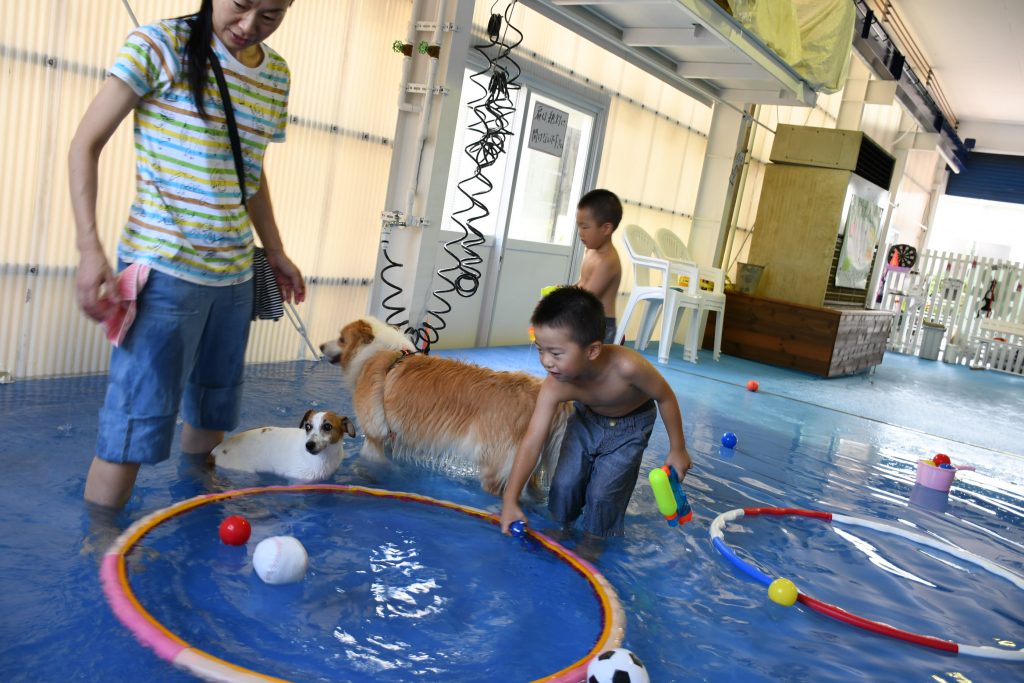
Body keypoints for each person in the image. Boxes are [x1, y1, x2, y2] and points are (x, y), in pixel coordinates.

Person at [69, 0, 303, 509]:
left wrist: (276, 250)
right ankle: (101, 554)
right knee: (133, 423)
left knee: (213, 408)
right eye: (240, 6)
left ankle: (196, 513)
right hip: (163, 273)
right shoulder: (160, 46)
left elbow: (249, 171)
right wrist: (91, 249)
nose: (247, 27)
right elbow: (85, 144)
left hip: (235, 277)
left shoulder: (276, 74)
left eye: (269, 15)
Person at [500, 286, 692, 558]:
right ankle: (562, 526)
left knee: (604, 493)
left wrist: (678, 448)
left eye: (556, 353)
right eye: (541, 350)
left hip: (631, 426)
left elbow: (665, 397)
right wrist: (510, 499)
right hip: (586, 420)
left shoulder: (628, 367)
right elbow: (532, 442)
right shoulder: (555, 387)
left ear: (592, 351)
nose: (545, 362)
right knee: (564, 483)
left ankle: (594, 540)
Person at [573, 189, 623, 344]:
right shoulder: (591, 251)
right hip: (584, 319)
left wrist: (559, 302)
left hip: (600, 327)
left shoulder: (608, 261)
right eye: (578, 226)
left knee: (591, 367)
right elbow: (582, 283)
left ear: (606, 228)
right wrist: (561, 291)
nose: (580, 233)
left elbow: (587, 298)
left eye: (585, 227)